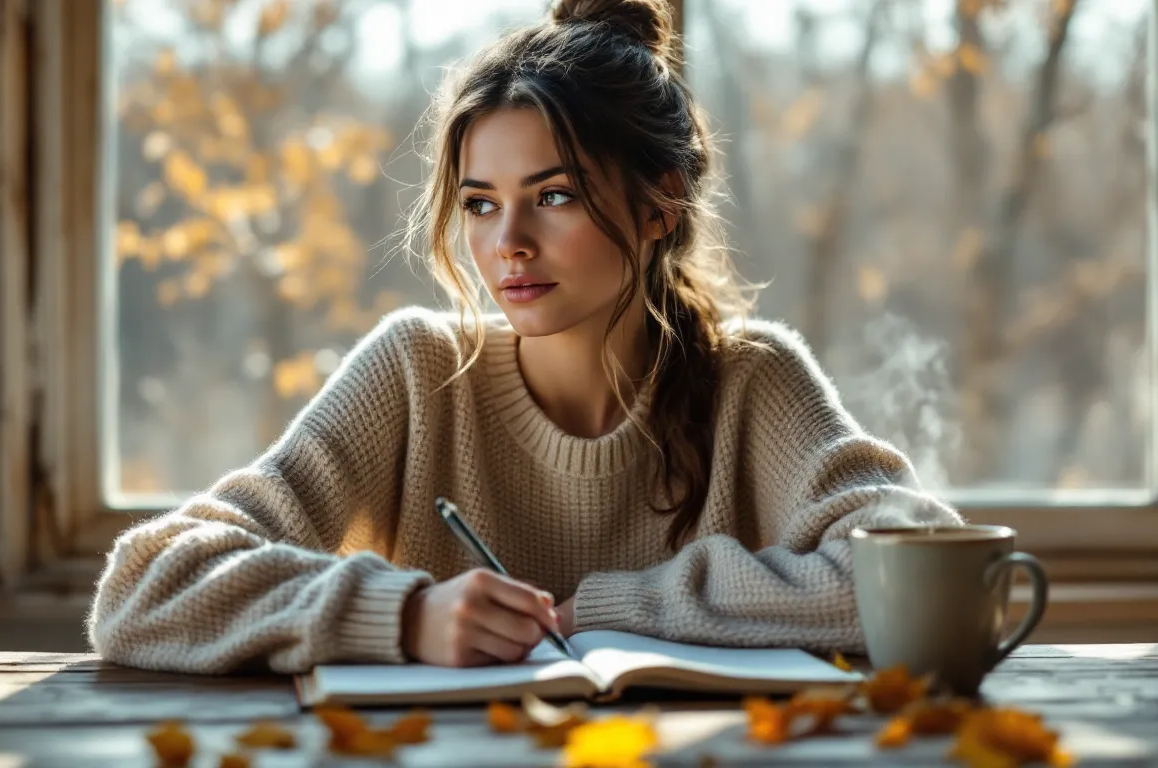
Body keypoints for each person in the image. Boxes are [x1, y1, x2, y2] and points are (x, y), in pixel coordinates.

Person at [87, 0, 962, 675]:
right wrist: (403, 617)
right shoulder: (414, 372)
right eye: (479, 203)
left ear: (660, 205)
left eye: (553, 196)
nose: (506, 243)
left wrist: (604, 611)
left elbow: (921, 571)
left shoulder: (751, 380)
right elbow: (143, 588)